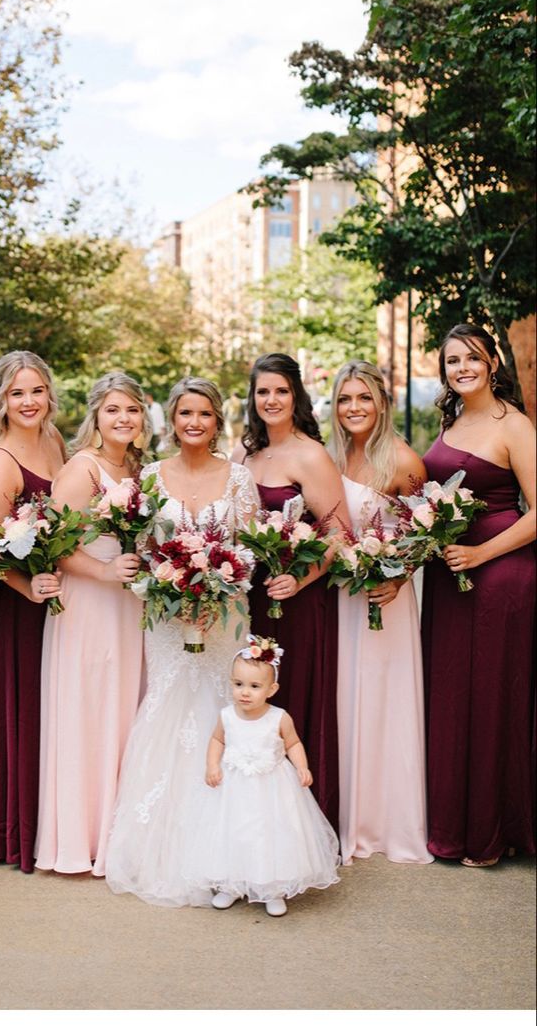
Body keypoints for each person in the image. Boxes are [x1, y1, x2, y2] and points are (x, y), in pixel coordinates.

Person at [105, 376, 259, 906]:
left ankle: (232, 853)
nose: (194, 422)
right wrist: (172, 583)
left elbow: (251, 549)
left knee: (224, 710)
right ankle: (162, 850)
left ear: (218, 421)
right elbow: (145, 547)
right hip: (167, 619)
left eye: (205, 414)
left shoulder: (239, 478)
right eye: (184, 413)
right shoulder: (148, 476)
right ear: (171, 420)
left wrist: (222, 584)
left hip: (226, 618)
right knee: (169, 709)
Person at [421, 324, 535, 866]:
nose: (462, 367)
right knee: (452, 698)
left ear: (492, 361)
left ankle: (490, 835)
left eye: (471, 357)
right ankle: (451, 825)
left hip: (500, 576)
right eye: (451, 361)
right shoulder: (452, 419)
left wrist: (481, 555)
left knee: (491, 702)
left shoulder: (513, 424)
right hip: (450, 577)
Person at [33, 372, 148, 877]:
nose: (123, 419)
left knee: (125, 709)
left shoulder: (143, 468)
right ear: (96, 416)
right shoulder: (82, 468)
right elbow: (53, 546)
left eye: (132, 410)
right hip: (88, 605)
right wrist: (104, 571)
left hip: (131, 607)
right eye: (113, 410)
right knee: (90, 709)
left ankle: (119, 833)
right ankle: (81, 837)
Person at [233, 353, 349, 829]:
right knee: (252, 704)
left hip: (298, 601)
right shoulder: (245, 456)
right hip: (252, 599)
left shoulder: (311, 455)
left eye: (281, 390)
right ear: (253, 398)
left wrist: (300, 579)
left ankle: (302, 828)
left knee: (293, 702)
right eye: (263, 391)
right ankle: (254, 823)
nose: (271, 399)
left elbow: (339, 532)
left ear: (296, 396)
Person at [328, 361, 433, 866]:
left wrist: (398, 575)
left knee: (384, 699)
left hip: (386, 599)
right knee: (349, 697)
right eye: (345, 399)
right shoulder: (332, 455)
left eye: (364, 398)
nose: (354, 408)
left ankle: (389, 822)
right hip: (343, 597)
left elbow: (427, 532)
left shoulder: (403, 459)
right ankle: (352, 817)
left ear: (382, 403)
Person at [0, 351, 65, 872]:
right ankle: (15, 829)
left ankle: (50, 820)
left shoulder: (54, 441)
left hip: (56, 597)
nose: (28, 402)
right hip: (17, 609)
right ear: (2, 401)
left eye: (35, 391)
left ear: (49, 394)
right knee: (24, 708)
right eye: (17, 393)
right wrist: (26, 587)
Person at [185, 640, 340, 916]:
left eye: (254, 687)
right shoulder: (227, 716)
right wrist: (211, 765)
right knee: (232, 832)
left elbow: (293, 744)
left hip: (271, 789)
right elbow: (217, 740)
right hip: (233, 788)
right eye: (238, 684)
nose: (245, 693)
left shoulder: (279, 718)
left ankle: (272, 888)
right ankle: (229, 885)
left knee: (270, 835)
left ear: (272, 689)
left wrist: (302, 767)